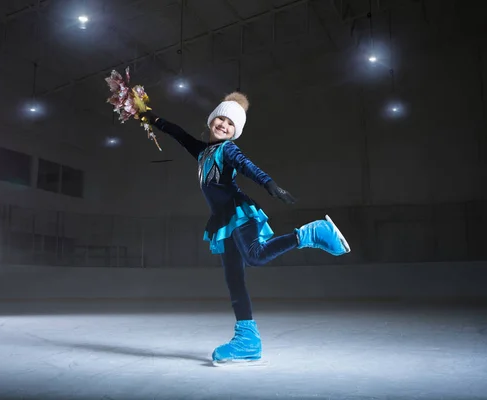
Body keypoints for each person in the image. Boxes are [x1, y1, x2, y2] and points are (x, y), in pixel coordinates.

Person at [145, 92, 350, 366]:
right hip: (222, 220)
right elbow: (178, 133)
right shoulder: (203, 151)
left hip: (238, 212)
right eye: (220, 118)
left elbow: (246, 166)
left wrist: (270, 185)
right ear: (211, 120)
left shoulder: (226, 149)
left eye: (231, 124)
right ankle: (247, 341)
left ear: (235, 132)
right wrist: (150, 117)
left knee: (255, 255)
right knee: (234, 278)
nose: (223, 125)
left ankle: (311, 233)